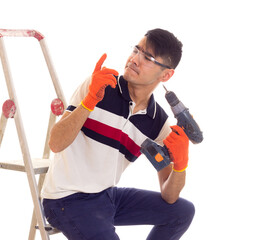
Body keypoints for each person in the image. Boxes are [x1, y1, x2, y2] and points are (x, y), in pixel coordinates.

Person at [41, 28, 195, 240]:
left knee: (182, 212)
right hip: (66, 198)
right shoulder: (100, 86)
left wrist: (181, 165)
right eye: (136, 50)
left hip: (107, 196)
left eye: (147, 57)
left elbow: (169, 196)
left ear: (166, 74)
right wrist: (89, 102)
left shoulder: (157, 123)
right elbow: (56, 143)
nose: (134, 59)